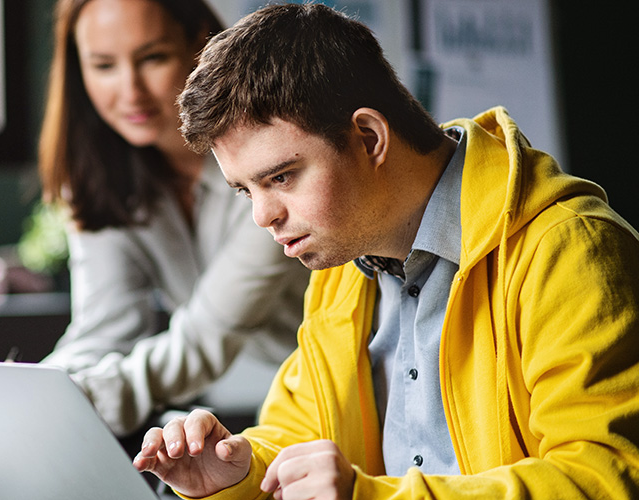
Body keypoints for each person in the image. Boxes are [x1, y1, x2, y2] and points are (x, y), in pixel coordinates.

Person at [133, 3, 639, 499]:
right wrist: (239, 470)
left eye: (280, 177)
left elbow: (606, 476)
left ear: (370, 137)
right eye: (245, 190)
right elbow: (302, 430)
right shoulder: (343, 266)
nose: (262, 216)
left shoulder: (570, 249)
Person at [37, 0, 310, 437]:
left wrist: (74, 403)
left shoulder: (267, 159)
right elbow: (104, 329)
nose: (130, 92)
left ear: (201, 43)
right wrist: (35, 395)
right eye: (103, 65)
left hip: (345, 391)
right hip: (268, 409)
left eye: (153, 58)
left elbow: (207, 337)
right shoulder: (100, 176)